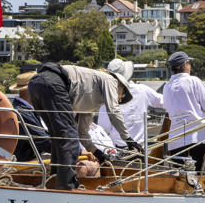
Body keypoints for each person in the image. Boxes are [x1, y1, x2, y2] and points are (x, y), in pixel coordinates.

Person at [27, 62, 139, 190]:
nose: (120, 100)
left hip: (35, 85)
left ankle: (54, 181)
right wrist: (128, 139)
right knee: (69, 138)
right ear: (120, 86)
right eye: (122, 95)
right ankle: (66, 187)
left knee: (59, 138)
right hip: (53, 82)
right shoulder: (110, 80)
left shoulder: (90, 101)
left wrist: (96, 152)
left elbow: (82, 133)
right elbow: (113, 111)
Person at [162, 51, 205, 169]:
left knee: (179, 176)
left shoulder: (167, 86)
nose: (190, 66)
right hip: (196, 136)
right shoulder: (193, 81)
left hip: (175, 137)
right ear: (184, 65)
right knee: (196, 175)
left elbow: (167, 107)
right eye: (189, 63)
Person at [97, 58, 164, 150]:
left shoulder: (107, 97)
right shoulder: (142, 90)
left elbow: (104, 128)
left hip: (119, 150)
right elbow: (163, 102)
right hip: (141, 149)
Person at [9, 71, 51, 162]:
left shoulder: (22, 109)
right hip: (28, 161)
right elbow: (43, 141)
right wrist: (70, 149)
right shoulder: (22, 112)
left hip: (32, 156)